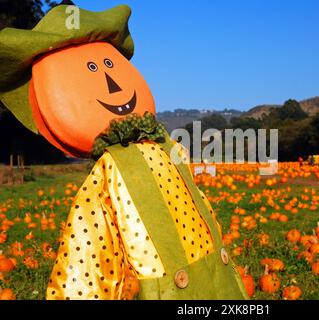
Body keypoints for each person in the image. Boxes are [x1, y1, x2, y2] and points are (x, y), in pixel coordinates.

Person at [0, 3, 247, 300]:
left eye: (108, 64)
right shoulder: (111, 169)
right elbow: (89, 247)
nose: (111, 82)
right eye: (91, 69)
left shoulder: (167, 146)